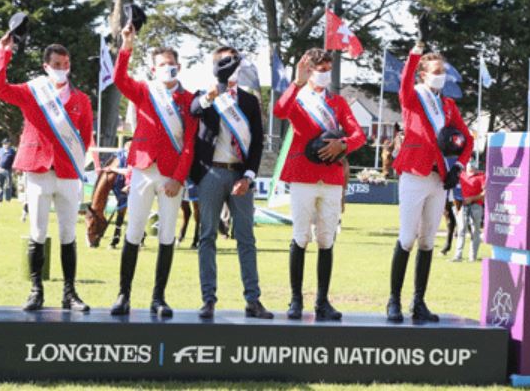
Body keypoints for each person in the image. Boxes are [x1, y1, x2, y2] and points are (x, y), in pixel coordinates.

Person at [0, 31, 98, 313]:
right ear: (46, 66)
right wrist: (4, 53)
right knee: (37, 231)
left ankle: (69, 292)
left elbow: (85, 137)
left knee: (67, 234)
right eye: (57, 64)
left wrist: (72, 160)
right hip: (38, 168)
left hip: (67, 173)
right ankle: (36, 290)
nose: (62, 68)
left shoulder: (82, 100)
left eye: (66, 63)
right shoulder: (32, 91)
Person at [109, 23, 199, 318]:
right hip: (143, 169)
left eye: (171, 64)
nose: (167, 68)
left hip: (172, 176)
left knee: (167, 235)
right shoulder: (144, 92)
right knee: (134, 231)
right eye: (162, 65)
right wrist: (126, 46)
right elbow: (118, 78)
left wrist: (178, 177)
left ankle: (158, 297)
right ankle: (124, 294)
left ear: (179, 67)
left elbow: (189, 143)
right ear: (153, 68)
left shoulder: (189, 100)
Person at [273, 48, 366, 321]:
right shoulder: (298, 99)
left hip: (332, 177)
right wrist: (297, 82)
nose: (325, 74)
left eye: (328, 69)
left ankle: (322, 301)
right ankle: (295, 300)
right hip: (303, 174)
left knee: (326, 239)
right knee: (301, 236)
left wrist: (344, 143)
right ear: (309, 69)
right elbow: (280, 111)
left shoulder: (338, 103)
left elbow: (358, 135)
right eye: (320, 69)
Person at [386, 42, 473, 323]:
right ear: (423, 74)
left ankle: (418, 302)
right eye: (436, 71)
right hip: (414, 173)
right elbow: (403, 84)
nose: (441, 76)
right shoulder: (412, 97)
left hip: (439, 178)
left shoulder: (448, 105)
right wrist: (414, 54)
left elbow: (467, 139)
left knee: (427, 242)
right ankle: (393, 301)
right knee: (407, 237)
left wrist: (458, 166)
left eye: (443, 72)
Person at [191, 46, 272, 320]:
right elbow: (193, 110)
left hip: (240, 175)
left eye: (232, 62)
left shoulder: (249, 101)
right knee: (207, 237)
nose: (229, 67)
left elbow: (258, 141)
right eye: (222, 62)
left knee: (246, 238)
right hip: (211, 174)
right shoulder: (205, 96)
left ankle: (253, 300)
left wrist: (249, 176)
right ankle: (208, 300)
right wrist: (210, 96)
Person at [452, 160, 485, 262]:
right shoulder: (462, 175)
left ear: (475, 168)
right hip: (464, 205)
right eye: (469, 169)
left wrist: (472, 198)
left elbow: (484, 194)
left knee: (475, 231)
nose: (471, 171)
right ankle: (458, 256)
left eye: (472, 169)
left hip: (476, 205)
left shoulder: (481, 176)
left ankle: (472, 256)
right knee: (461, 229)